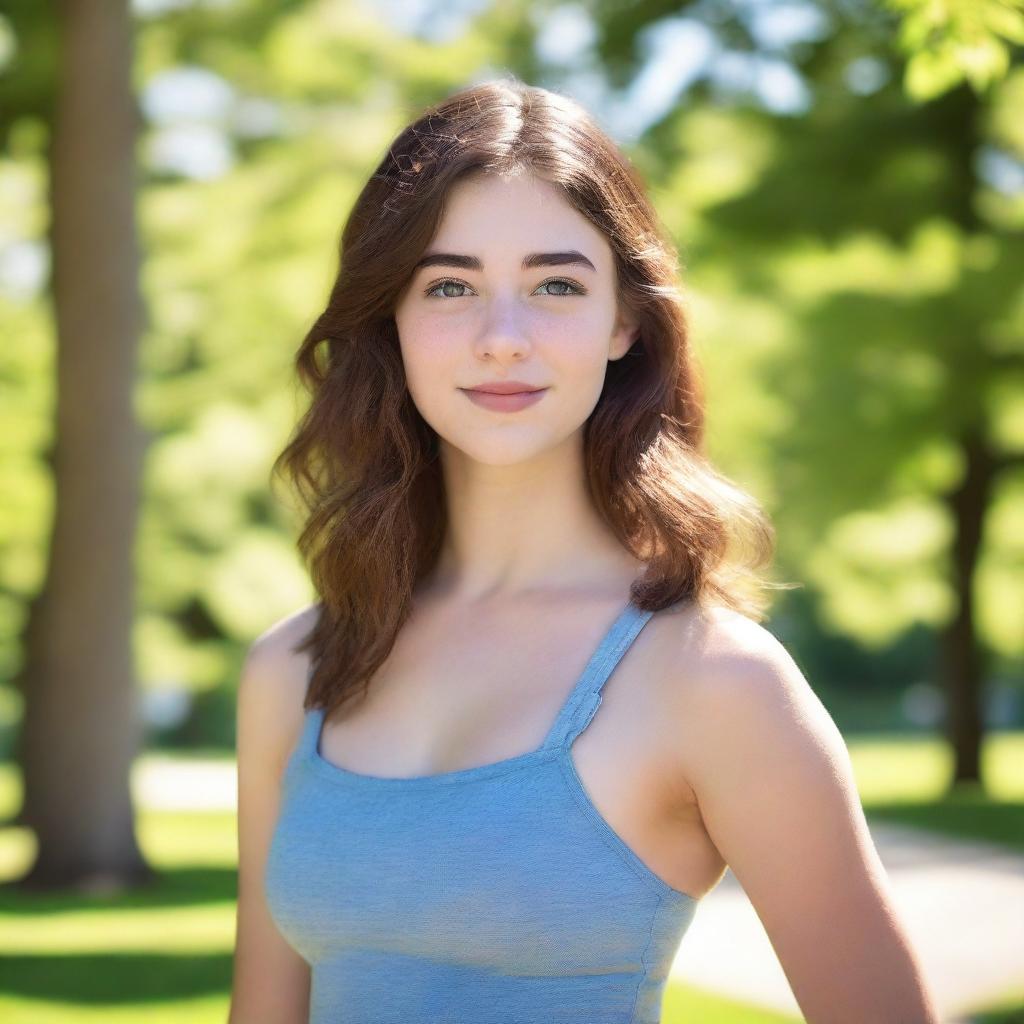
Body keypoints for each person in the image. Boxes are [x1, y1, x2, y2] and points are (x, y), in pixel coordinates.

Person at [228, 75, 940, 1024]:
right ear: (389, 321)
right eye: (451, 286)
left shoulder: (713, 681)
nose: (502, 338)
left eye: (555, 285)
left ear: (623, 322)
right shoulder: (294, 669)